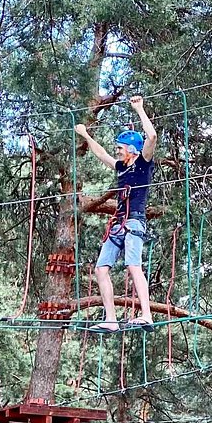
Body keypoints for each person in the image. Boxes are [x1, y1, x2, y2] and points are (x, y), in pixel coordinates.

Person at [75, 94, 158, 332]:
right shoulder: (121, 168)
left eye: (120, 148)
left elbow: (151, 137)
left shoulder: (143, 163)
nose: (117, 152)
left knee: (134, 267)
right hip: (118, 225)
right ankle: (111, 319)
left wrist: (140, 110)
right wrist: (86, 136)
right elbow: (101, 154)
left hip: (134, 222)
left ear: (132, 150)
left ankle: (146, 315)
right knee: (102, 269)